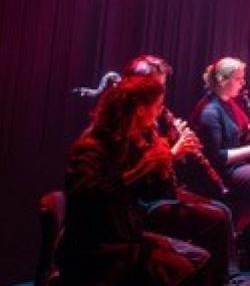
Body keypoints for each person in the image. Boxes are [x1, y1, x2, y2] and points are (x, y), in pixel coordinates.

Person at [61, 75, 212, 285]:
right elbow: (90, 197)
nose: (160, 112)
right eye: (158, 106)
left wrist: (163, 168)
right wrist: (143, 167)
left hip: (126, 235)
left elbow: (154, 193)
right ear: (140, 110)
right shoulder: (92, 145)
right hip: (97, 247)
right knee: (183, 268)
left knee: (200, 257)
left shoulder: (129, 142)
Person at [122, 55, 236, 284]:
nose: (162, 95)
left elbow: (164, 167)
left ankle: (218, 276)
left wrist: (177, 146)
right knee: (216, 218)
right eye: (158, 86)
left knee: (221, 210)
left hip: (160, 191)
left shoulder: (152, 117)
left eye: (163, 86)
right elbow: (134, 175)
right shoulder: (127, 119)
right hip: (141, 204)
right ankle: (216, 278)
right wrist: (173, 152)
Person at [191, 57, 250, 271]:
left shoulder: (227, 104)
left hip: (232, 167)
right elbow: (217, 158)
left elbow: (235, 138)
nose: (243, 84)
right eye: (239, 79)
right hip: (219, 174)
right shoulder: (210, 112)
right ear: (223, 81)